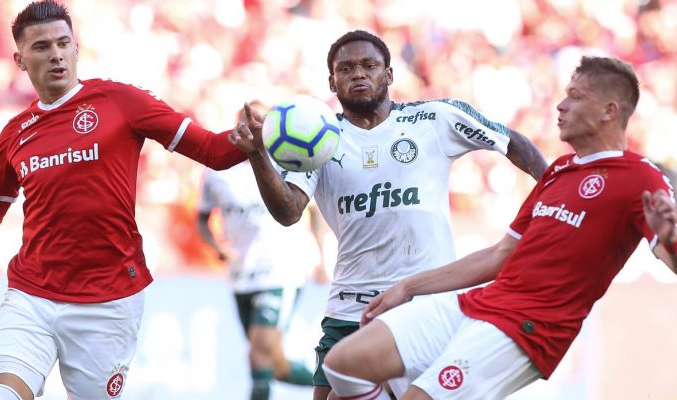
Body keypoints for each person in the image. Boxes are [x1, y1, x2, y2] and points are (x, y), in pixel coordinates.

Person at [0, 1, 251, 399]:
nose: (56, 54)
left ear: (77, 48)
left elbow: (215, 152)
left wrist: (261, 137)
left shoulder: (122, 102)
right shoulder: (16, 133)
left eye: (64, 43)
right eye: (42, 47)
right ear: (20, 59)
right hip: (32, 296)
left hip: (108, 301)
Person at [318, 56, 677, 400]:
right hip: (480, 303)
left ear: (608, 111)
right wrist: (407, 287)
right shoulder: (559, 173)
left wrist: (668, 237)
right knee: (345, 364)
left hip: (529, 329)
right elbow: (500, 255)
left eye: (575, 97)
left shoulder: (641, 177)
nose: (560, 105)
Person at [228, 29, 548, 400]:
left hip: (426, 304)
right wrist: (257, 156)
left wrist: (556, 193)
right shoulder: (318, 136)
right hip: (351, 305)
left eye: (369, 65)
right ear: (332, 82)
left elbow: (514, 143)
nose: (358, 74)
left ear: (390, 74)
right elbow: (288, 212)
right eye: (345, 69)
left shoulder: (436, 118)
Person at [196, 159, 319, 400]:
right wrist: (216, 246)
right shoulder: (215, 172)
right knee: (275, 366)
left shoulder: (284, 160)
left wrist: (322, 254)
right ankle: (342, 378)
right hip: (240, 275)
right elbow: (202, 218)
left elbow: (312, 208)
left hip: (281, 271)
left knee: (258, 354)